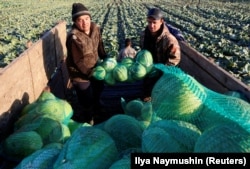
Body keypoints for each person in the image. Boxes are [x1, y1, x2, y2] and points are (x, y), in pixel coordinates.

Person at [66, 3, 107, 124]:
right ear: (75, 22)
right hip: (80, 74)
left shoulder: (95, 29)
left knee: (99, 87)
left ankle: (97, 105)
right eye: (80, 20)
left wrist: (105, 57)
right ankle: (89, 119)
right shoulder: (74, 37)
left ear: (90, 18)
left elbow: (100, 45)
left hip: (94, 67)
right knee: (86, 97)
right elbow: (77, 61)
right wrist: (90, 73)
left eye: (87, 19)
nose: (85, 23)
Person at [140, 8, 181, 102]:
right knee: (145, 98)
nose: (151, 25)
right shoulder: (144, 35)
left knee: (159, 100)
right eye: (149, 22)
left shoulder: (169, 40)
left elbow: (175, 60)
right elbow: (143, 51)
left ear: (161, 21)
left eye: (154, 22)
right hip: (148, 73)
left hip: (163, 76)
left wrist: (161, 70)